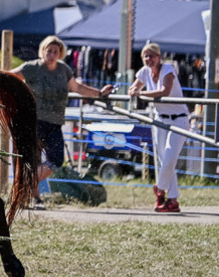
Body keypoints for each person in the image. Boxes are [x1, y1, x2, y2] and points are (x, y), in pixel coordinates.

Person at [11, 35, 114, 206]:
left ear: (60, 54)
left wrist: (100, 93)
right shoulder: (32, 67)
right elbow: (10, 77)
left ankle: (25, 183)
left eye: (55, 51)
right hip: (34, 121)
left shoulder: (63, 69)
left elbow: (78, 88)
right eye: (48, 50)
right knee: (33, 160)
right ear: (42, 51)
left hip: (55, 122)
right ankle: (35, 199)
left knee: (56, 160)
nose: (51, 54)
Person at [130, 42, 190, 213]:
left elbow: (165, 91)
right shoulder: (144, 72)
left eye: (152, 56)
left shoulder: (168, 69)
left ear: (159, 57)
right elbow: (133, 88)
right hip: (160, 119)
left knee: (170, 157)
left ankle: (159, 189)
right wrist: (134, 90)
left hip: (179, 119)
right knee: (164, 161)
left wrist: (140, 94)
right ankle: (172, 200)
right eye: (145, 56)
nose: (149, 59)